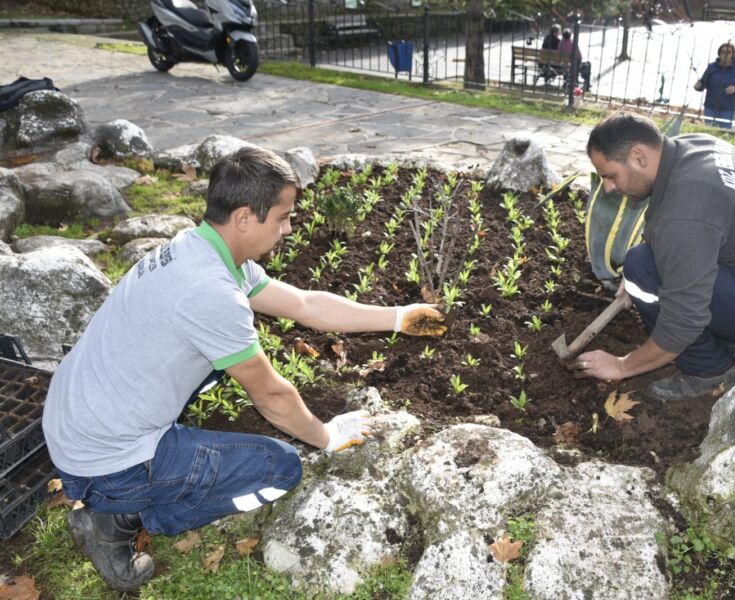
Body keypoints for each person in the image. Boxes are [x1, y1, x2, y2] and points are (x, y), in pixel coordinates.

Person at [41, 147, 446, 592]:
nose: (289, 227)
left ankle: (117, 496)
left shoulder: (199, 249)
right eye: (282, 217)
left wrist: (397, 316)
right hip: (107, 458)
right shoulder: (210, 292)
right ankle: (118, 517)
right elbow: (272, 397)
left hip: (77, 420)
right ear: (244, 218)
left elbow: (305, 304)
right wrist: (327, 436)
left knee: (212, 364)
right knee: (281, 468)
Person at [573, 111, 735, 402]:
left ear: (639, 156)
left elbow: (683, 320)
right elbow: (679, 229)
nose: (609, 187)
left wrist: (621, 365)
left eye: (610, 175)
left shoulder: (686, 213)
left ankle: (711, 372)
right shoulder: (690, 148)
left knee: (642, 267)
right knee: (650, 263)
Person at [693, 42, 735, 129]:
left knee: (724, 132)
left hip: (728, 108)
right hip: (710, 106)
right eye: (723, 52)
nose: (725, 54)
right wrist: (698, 86)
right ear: (719, 54)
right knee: (709, 130)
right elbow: (703, 83)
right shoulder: (711, 67)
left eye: (728, 52)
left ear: (732, 54)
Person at [558, 28, 592, 92]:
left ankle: (567, 82)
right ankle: (587, 84)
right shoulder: (573, 43)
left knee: (570, 66)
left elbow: (559, 52)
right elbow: (579, 56)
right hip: (574, 66)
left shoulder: (561, 43)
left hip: (565, 65)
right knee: (588, 65)